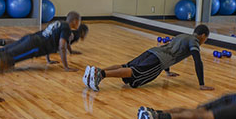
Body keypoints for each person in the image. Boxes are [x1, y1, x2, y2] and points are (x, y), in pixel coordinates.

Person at [83, 24, 212, 91]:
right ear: (203, 36)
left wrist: (168, 71)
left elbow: (170, 49)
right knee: (135, 73)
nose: (204, 41)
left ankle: (96, 71)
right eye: (205, 39)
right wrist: (202, 84)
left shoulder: (182, 36)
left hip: (152, 51)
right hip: (158, 60)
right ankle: (101, 74)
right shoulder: (194, 41)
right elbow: (198, 61)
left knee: (126, 66)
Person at [0, 12, 82, 68]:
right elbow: (62, 46)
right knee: (9, 58)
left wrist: (48, 60)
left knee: (5, 50)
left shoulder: (58, 22)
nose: (79, 24)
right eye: (79, 21)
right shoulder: (66, 28)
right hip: (35, 46)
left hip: (31, 38)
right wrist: (66, 67)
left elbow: (49, 37)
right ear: (75, 21)